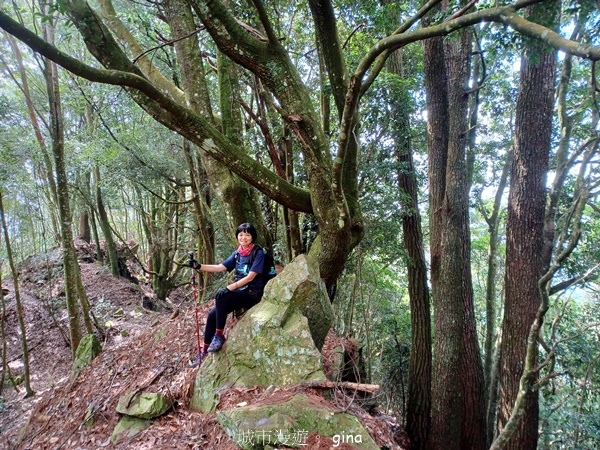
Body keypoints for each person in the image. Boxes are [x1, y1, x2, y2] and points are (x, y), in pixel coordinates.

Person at [188, 223, 267, 367]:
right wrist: (199, 266)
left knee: (222, 296)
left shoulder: (258, 253)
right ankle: (204, 351)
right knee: (212, 315)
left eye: (247, 235)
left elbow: (251, 277)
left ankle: (219, 336)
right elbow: (220, 267)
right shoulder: (238, 253)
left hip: (252, 293)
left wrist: (230, 287)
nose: (244, 238)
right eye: (241, 234)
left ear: (252, 237)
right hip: (240, 291)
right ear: (237, 236)